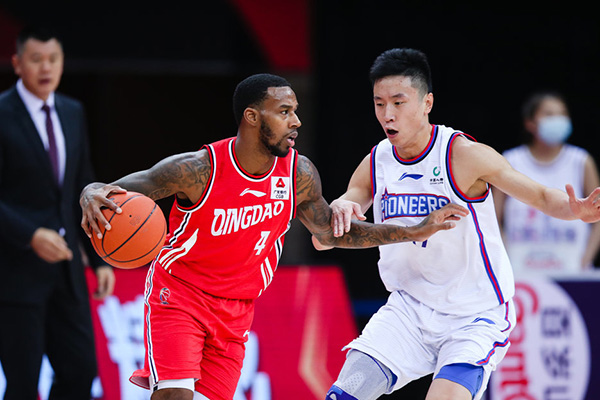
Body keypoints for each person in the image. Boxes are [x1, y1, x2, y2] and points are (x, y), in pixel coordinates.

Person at [79, 73, 469, 400]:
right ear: (252, 117)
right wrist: (89, 192)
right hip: (181, 296)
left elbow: (333, 233)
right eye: (284, 112)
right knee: (175, 394)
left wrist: (414, 230)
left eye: (295, 111)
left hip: (236, 311)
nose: (296, 121)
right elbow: (114, 190)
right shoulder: (198, 169)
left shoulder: (299, 174)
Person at [315, 48, 600, 400]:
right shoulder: (378, 161)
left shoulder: (461, 154)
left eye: (398, 103)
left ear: (427, 103)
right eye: (379, 104)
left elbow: (540, 195)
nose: (388, 114)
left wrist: (577, 210)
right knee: (343, 395)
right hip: (408, 311)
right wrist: (340, 208)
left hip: (474, 315)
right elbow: (336, 222)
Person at [0, 26, 115, 399]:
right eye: (36, 59)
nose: (46, 67)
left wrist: (98, 258)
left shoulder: (72, 111)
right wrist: (30, 235)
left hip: (67, 273)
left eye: (53, 59)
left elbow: (84, 189)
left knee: (80, 373)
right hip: (15, 274)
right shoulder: (2, 113)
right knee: (22, 384)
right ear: (18, 63)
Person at [493, 91, 600, 274]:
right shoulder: (511, 161)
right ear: (530, 123)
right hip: (520, 272)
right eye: (549, 114)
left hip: (572, 271)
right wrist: (506, 260)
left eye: (562, 114)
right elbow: (493, 217)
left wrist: (585, 261)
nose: (558, 120)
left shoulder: (581, 161)